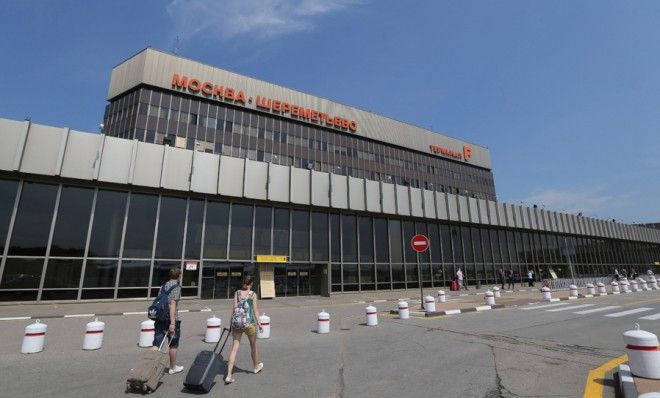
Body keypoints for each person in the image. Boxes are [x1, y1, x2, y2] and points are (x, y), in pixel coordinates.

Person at [225, 276, 264, 384]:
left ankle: (228, 375)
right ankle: (256, 366)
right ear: (251, 283)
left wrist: (230, 324)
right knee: (253, 346)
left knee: (234, 348)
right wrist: (259, 324)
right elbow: (255, 311)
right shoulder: (253, 294)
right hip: (249, 323)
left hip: (237, 323)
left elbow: (234, 310)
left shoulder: (237, 293)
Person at [152, 267, 184, 375]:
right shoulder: (176, 287)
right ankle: (173, 367)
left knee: (157, 344)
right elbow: (173, 305)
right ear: (179, 275)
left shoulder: (163, 285)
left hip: (160, 318)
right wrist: (173, 322)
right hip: (170, 319)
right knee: (173, 344)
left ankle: (149, 365)